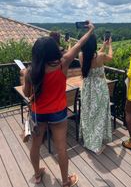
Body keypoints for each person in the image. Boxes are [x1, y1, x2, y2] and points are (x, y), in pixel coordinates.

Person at [21, 22, 94, 186]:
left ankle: (37, 175)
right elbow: (79, 43)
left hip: (38, 113)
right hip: (58, 113)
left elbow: (26, 94)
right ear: (54, 50)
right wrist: (91, 29)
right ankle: (65, 181)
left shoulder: (30, 72)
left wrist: (24, 75)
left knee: (36, 146)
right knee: (62, 148)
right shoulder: (64, 63)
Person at [79, 34, 113, 154]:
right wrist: (110, 45)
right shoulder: (101, 56)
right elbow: (110, 57)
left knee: (88, 114)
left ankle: (88, 140)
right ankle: (96, 142)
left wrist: (103, 46)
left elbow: (92, 55)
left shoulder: (82, 56)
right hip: (99, 89)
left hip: (87, 88)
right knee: (99, 115)